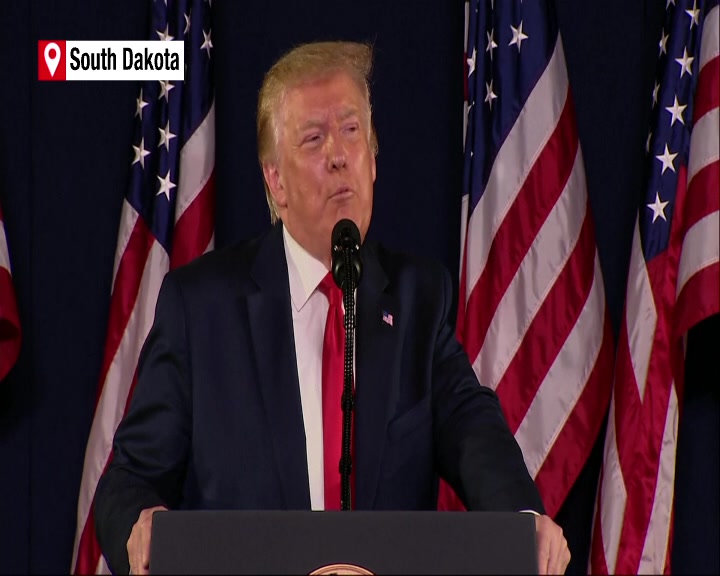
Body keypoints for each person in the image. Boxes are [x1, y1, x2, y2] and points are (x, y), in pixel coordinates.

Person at [94, 41, 571, 575]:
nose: (339, 154)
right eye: (314, 139)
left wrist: (521, 517)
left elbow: (471, 429)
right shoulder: (201, 307)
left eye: (351, 132)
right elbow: (129, 478)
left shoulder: (417, 297)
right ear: (275, 181)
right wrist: (140, 524)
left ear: (372, 160)